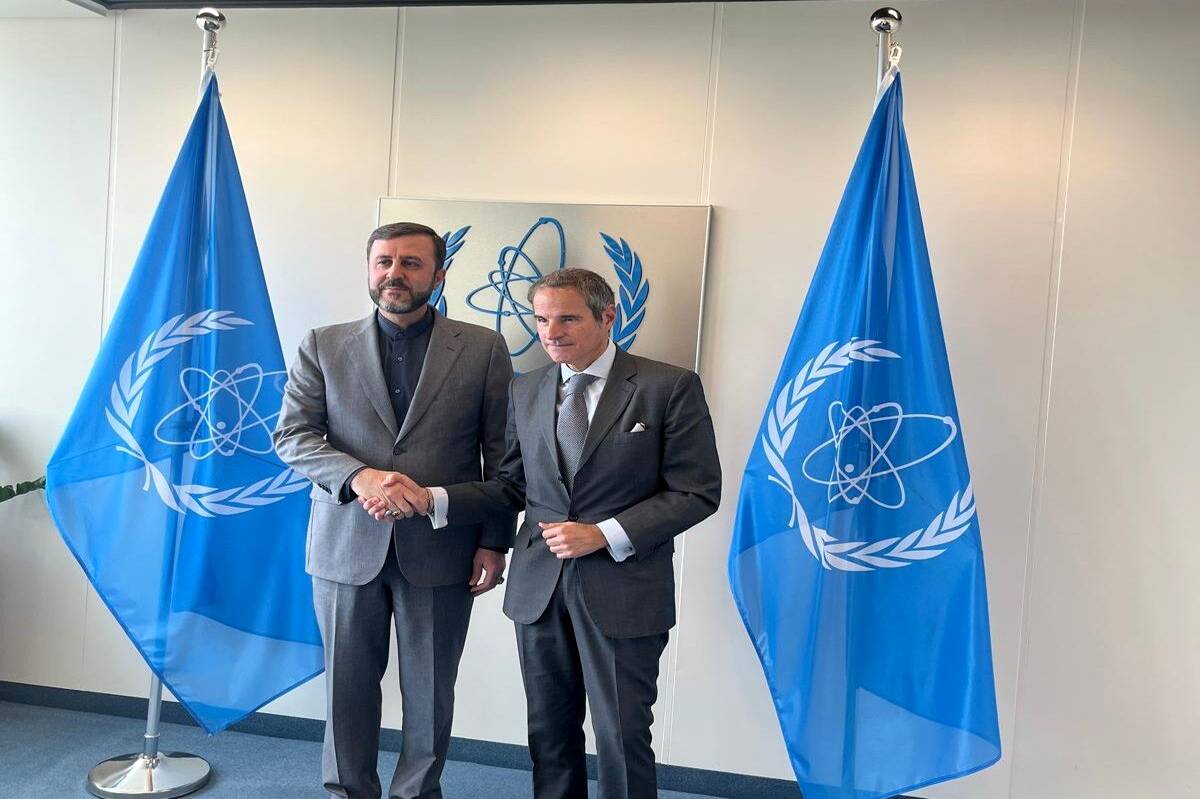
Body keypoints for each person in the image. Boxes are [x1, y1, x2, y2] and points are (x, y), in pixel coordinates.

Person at [364, 267, 721, 799]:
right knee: (549, 734)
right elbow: (510, 485)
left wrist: (604, 534)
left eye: (567, 319)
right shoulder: (526, 388)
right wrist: (432, 499)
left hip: (624, 590)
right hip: (539, 587)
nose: (551, 332)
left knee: (622, 735)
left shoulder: (667, 386)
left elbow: (697, 491)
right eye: (542, 319)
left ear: (607, 317)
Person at [273, 222, 515, 799]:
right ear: (369, 269)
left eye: (411, 262)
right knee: (346, 689)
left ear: (439, 274)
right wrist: (360, 477)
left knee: (430, 692)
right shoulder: (323, 344)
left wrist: (493, 541)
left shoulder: (482, 348)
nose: (394, 274)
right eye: (384, 261)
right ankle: (348, 791)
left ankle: (416, 793)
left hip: (442, 547)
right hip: (344, 546)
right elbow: (293, 437)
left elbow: (503, 455)